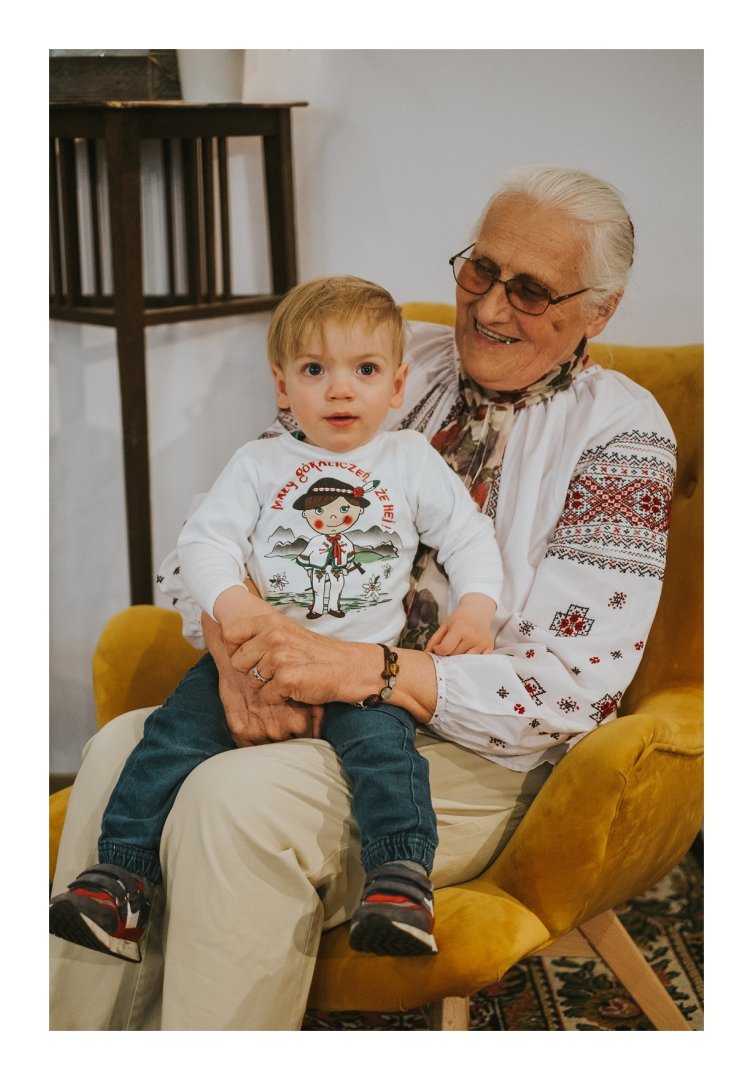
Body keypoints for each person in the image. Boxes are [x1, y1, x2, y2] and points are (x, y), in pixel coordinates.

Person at [49, 166, 676, 1031]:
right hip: (293, 680)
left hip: (472, 750)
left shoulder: (623, 438)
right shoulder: (380, 356)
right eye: (480, 269)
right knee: (119, 749)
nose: (490, 306)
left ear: (598, 311)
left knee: (235, 802)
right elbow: (217, 539)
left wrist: (365, 670)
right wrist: (244, 656)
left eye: (530, 290)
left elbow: (570, 687)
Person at [49, 276, 504, 960]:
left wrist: (476, 606)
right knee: (169, 739)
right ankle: (121, 880)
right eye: (315, 370)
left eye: (364, 370)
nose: (340, 390)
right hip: (257, 660)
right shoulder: (259, 463)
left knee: (387, 758)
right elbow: (206, 544)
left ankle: (400, 882)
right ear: (282, 386)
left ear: (397, 385)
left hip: (355, 671)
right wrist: (235, 607)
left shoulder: (410, 461)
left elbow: (468, 537)